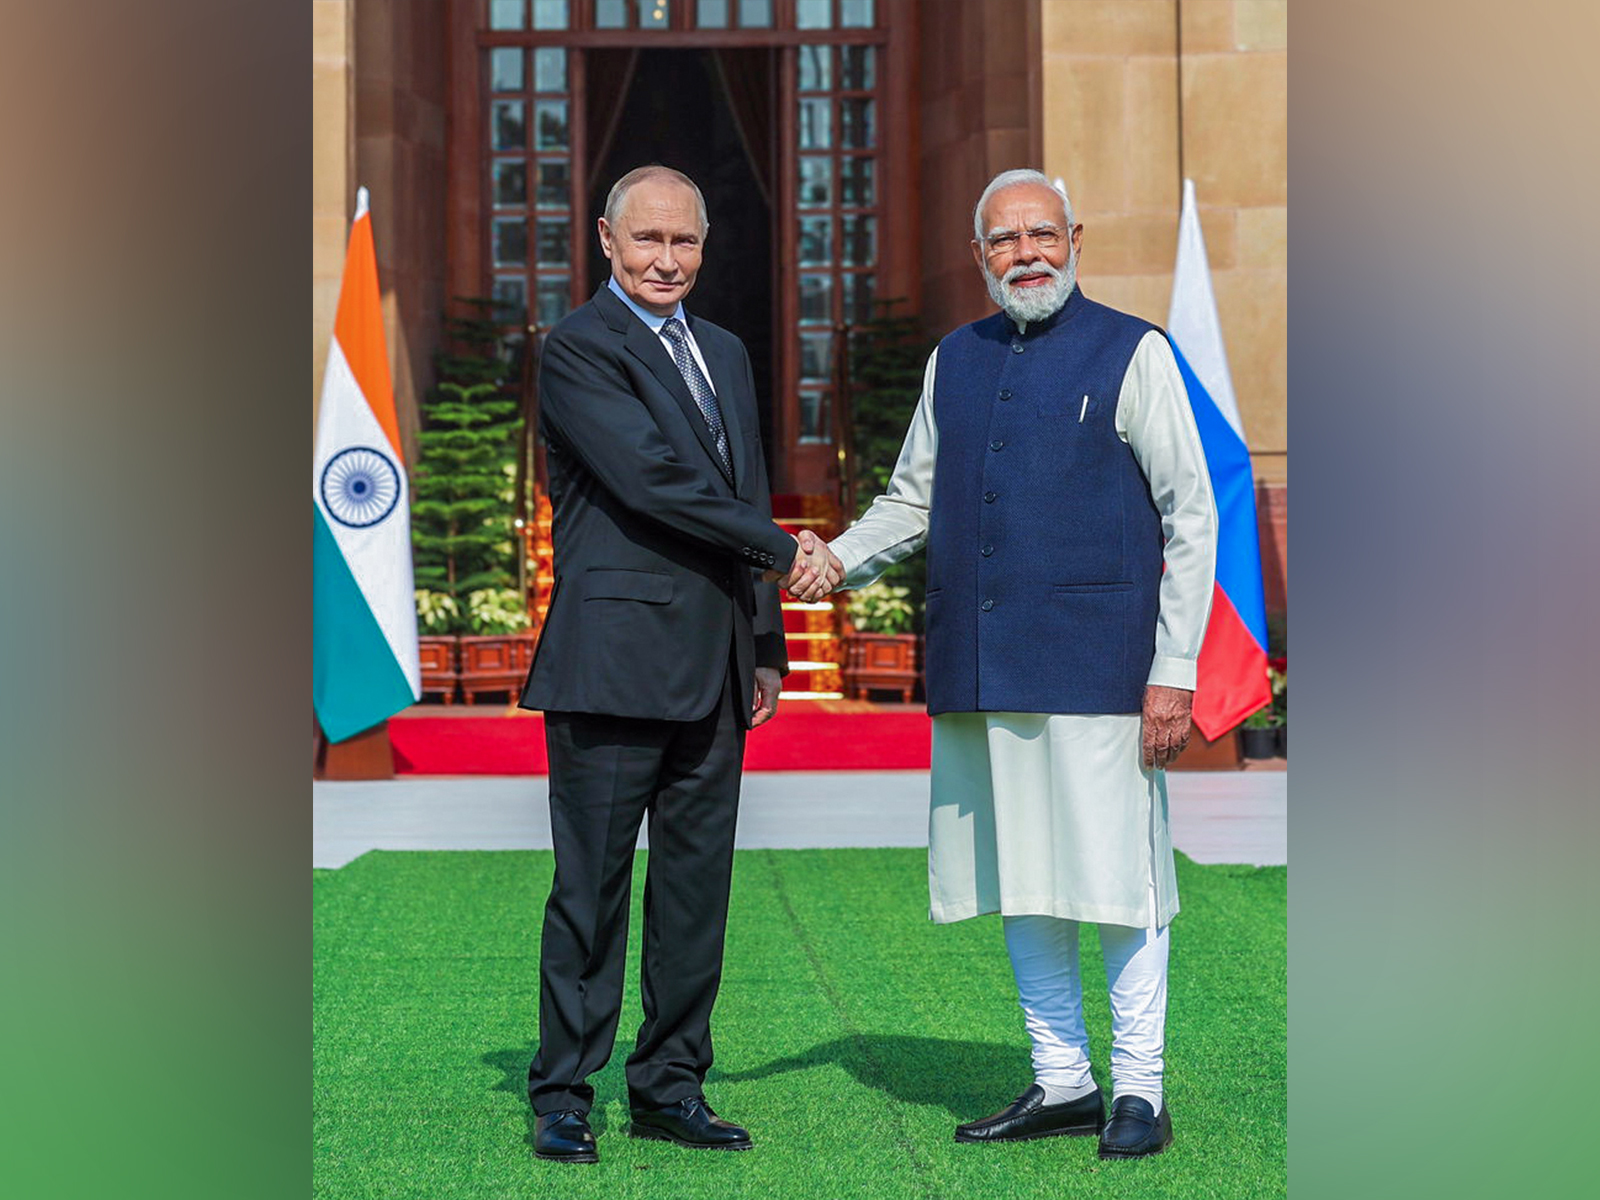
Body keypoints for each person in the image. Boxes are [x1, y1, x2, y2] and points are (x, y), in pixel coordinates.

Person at [824, 168, 1217, 1160]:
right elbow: (913, 498)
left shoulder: (1137, 351)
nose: (1026, 253)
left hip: (1101, 672)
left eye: (1042, 233)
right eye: (1004, 240)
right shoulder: (953, 359)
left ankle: (1140, 1091)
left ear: (1075, 238)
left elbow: (1192, 511)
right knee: (1023, 880)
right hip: (982, 669)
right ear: (978, 256)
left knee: (1119, 886)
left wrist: (1173, 670)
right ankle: (1061, 1083)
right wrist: (830, 558)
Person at [517, 165, 838, 1164]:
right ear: (606, 239)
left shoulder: (728, 352)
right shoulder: (575, 349)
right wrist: (789, 549)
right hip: (611, 666)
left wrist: (766, 643)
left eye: (685, 242)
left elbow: (741, 482)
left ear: (705, 247)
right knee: (593, 893)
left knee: (697, 892)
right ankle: (563, 1091)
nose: (667, 260)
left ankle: (668, 1083)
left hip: (713, 670)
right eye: (648, 240)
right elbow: (653, 485)